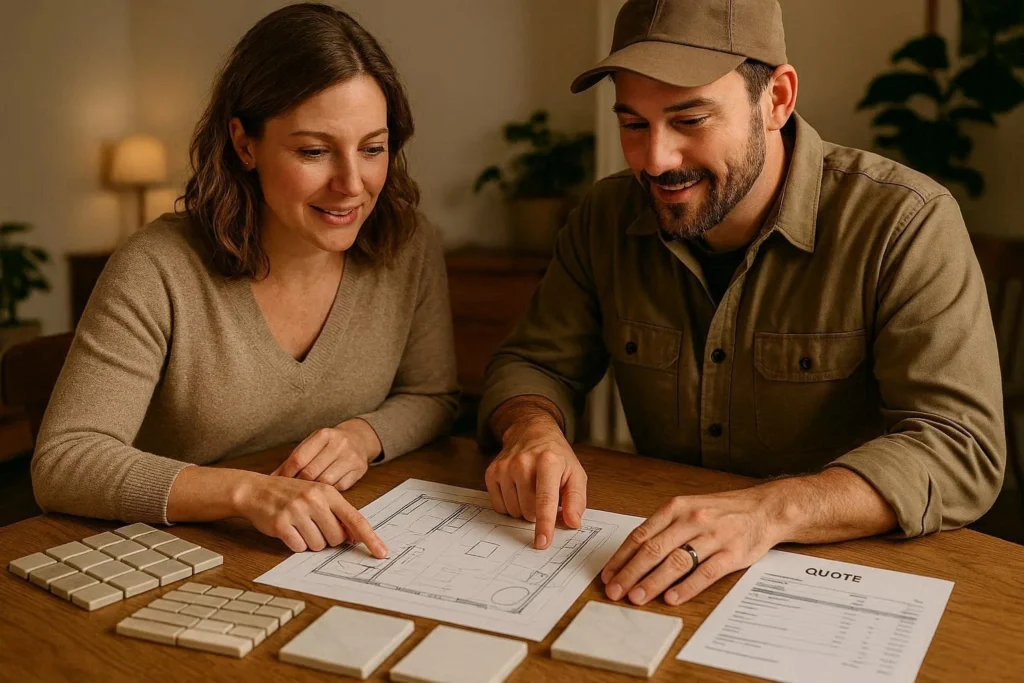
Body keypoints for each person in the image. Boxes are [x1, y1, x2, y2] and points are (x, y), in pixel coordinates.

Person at [480, 0, 1004, 607]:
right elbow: (533, 363)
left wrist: (770, 511)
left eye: (691, 120)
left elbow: (961, 446)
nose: (656, 159)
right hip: (659, 571)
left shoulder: (905, 223)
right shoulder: (604, 217)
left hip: (842, 577)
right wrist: (532, 429)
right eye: (633, 124)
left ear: (777, 99)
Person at [33, 3, 459, 558]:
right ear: (244, 144)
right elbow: (65, 460)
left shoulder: (409, 242)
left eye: (372, 149)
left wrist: (365, 435)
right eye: (314, 151)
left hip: (310, 549)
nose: (352, 185)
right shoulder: (157, 266)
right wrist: (247, 492)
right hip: (161, 553)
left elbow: (433, 395)